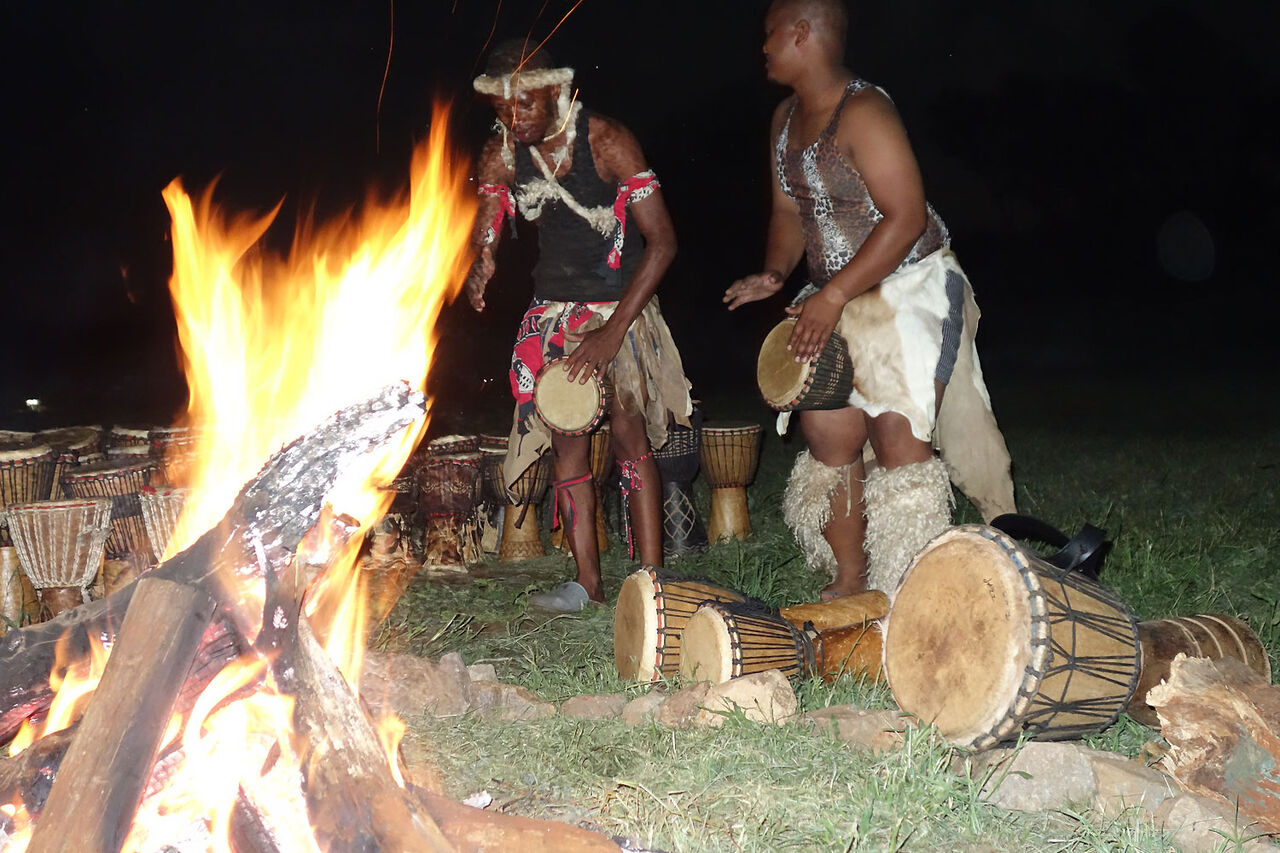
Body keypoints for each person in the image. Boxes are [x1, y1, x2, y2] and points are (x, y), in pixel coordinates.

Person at [725, 0, 1016, 599]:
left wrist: (830, 297)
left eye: (770, 33)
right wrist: (777, 273)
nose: (764, 46)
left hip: (907, 286)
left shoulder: (865, 111)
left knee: (898, 438)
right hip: (832, 295)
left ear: (802, 33)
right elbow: (789, 211)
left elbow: (905, 217)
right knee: (829, 434)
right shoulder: (783, 119)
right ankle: (853, 580)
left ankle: (909, 591)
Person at [465, 40, 693, 612]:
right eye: (501, 109)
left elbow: (663, 244)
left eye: (524, 108)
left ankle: (650, 583)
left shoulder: (607, 142)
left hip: (620, 309)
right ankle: (585, 584)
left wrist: (614, 331)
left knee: (627, 434)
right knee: (568, 439)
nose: (511, 121)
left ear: (555, 91)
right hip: (553, 312)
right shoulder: (501, 152)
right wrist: (483, 262)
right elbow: (489, 221)